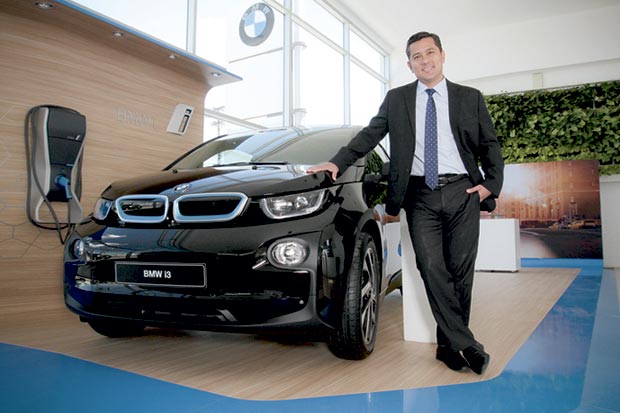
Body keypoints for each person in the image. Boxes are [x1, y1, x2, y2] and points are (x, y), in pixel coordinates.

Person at [307, 31, 504, 375]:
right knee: (430, 267)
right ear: (410, 65)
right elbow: (370, 135)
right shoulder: (397, 99)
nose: (424, 60)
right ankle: (467, 344)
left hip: (463, 191)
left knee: (460, 272)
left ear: (442, 55)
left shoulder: (469, 97)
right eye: (416, 56)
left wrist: (490, 185)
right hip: (419, 194)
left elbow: (490, 144)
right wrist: (337, 162)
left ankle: (448, 346)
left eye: (430, 53)